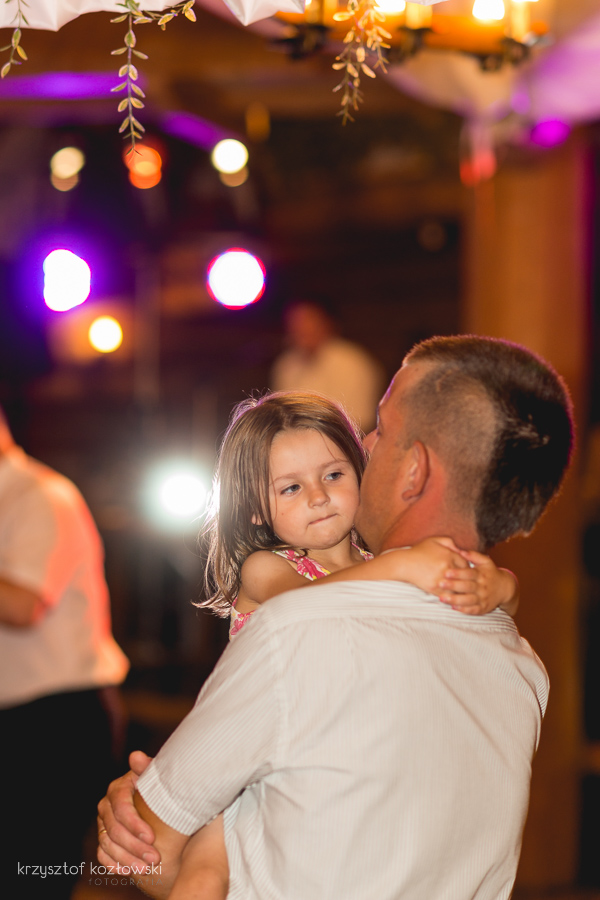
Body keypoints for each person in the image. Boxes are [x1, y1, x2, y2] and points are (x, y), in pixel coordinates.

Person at [97, 336, 573, 900]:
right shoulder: (522, 666)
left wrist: (142, 806)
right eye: (291, 487)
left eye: (380, 429)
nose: (364, 446)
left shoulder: (301, 631)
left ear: (414, 471)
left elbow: (146, 848)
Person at [0, 406, 129, 898]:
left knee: (34, 874)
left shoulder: (38, 494)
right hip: (21, 714)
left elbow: (23, 604)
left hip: (54, 718)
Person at [270, 300, 385, 431]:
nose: (299, 328)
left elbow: (360, 420)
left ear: (327, 323)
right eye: (294, 322)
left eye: (307, 320)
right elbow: (282, 416)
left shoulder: (353, 362)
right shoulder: (285, 365)